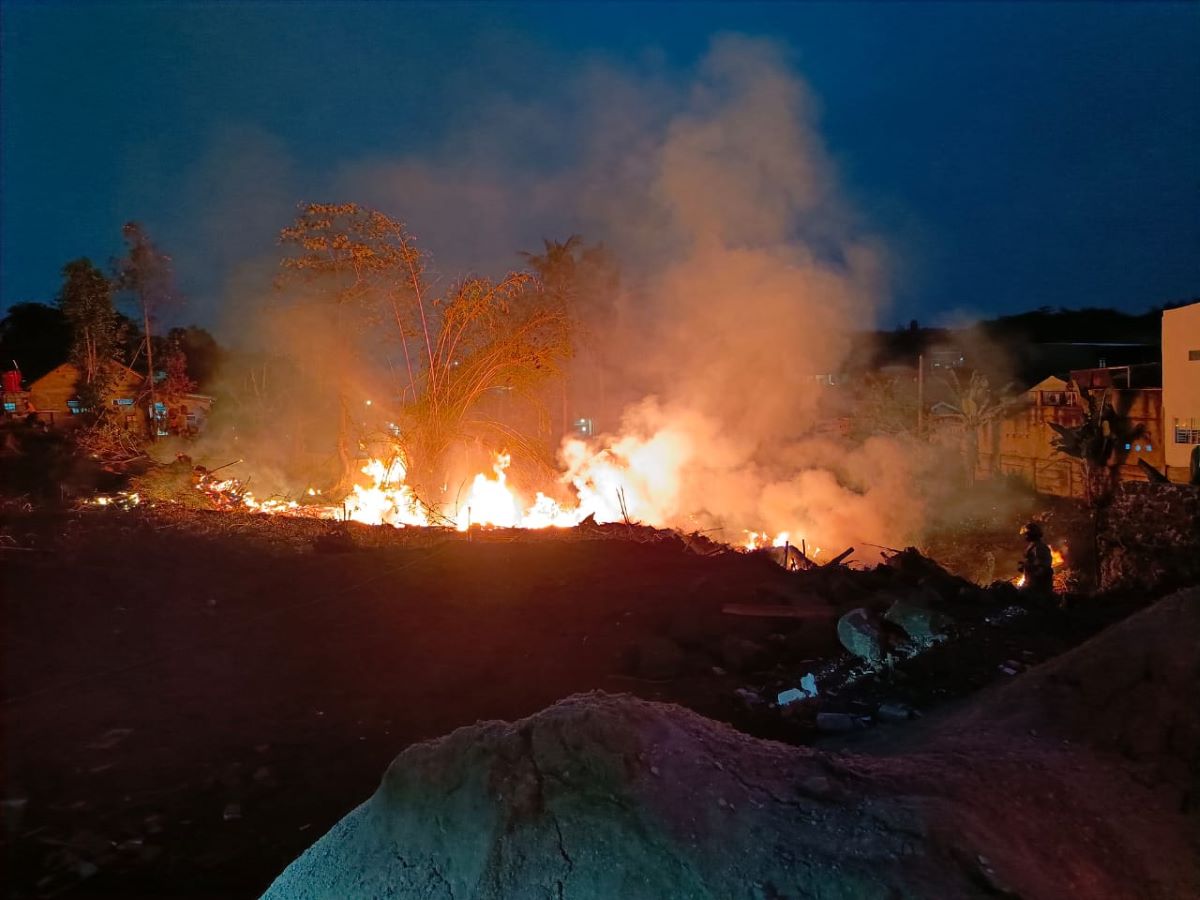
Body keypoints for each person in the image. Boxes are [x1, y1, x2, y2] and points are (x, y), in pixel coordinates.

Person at [1018, 522, 1054, 597]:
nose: (1025, 536)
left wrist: (1030, 570)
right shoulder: (1034, 545)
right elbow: (1033, 562)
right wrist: (1024, 566)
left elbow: (1042, 568)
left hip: (1037, 588)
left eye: (1026, 534)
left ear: (1031, 534)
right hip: (1032, 584)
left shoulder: (1039, 548)